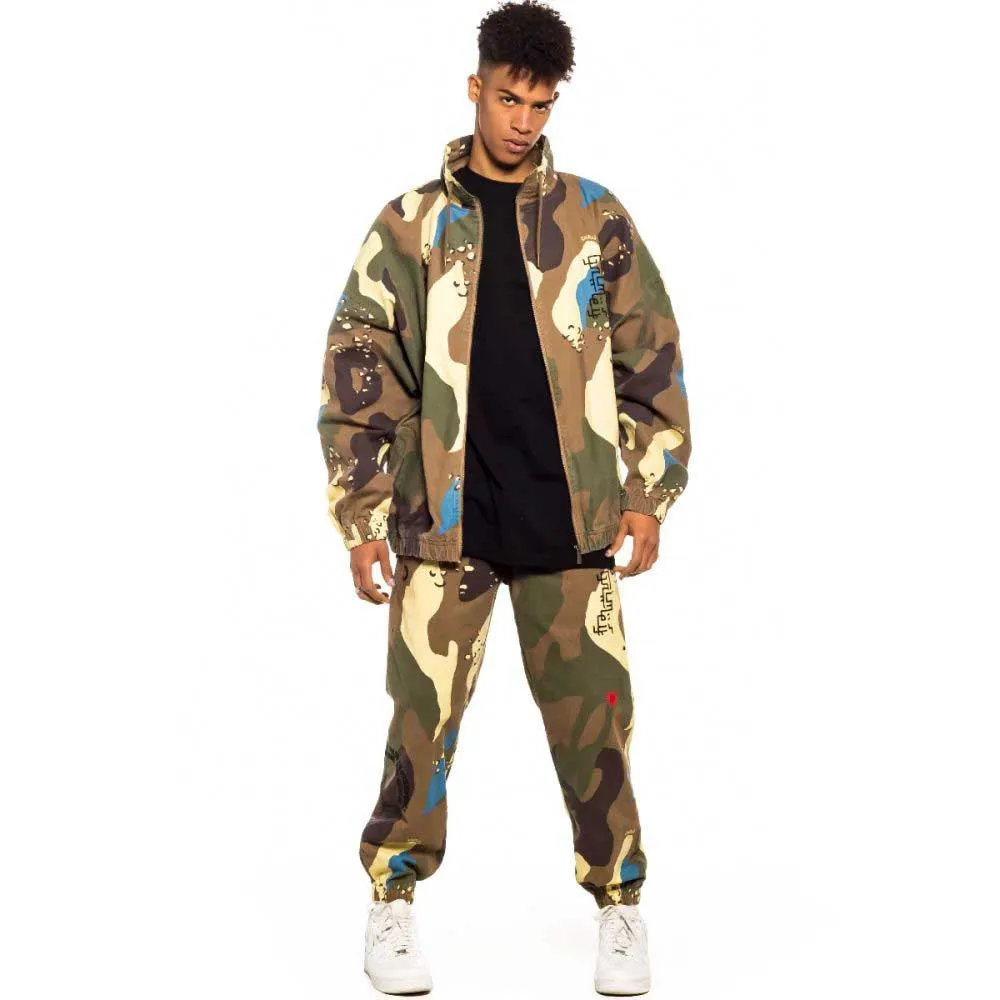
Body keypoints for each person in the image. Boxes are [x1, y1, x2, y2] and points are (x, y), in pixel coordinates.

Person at [316, 2, 691, 994]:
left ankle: (620, 905)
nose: (523, 121)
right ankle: (392, 901)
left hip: (572, 525)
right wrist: (361, 514)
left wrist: (648, 492)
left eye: (541, 104)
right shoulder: (409, 225)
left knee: (597, 731)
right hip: (445, 529)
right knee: (418, 727)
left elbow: (652, 354)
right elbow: (359, 368)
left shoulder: (594, 218)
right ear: (476, 88)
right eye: (509, 99)